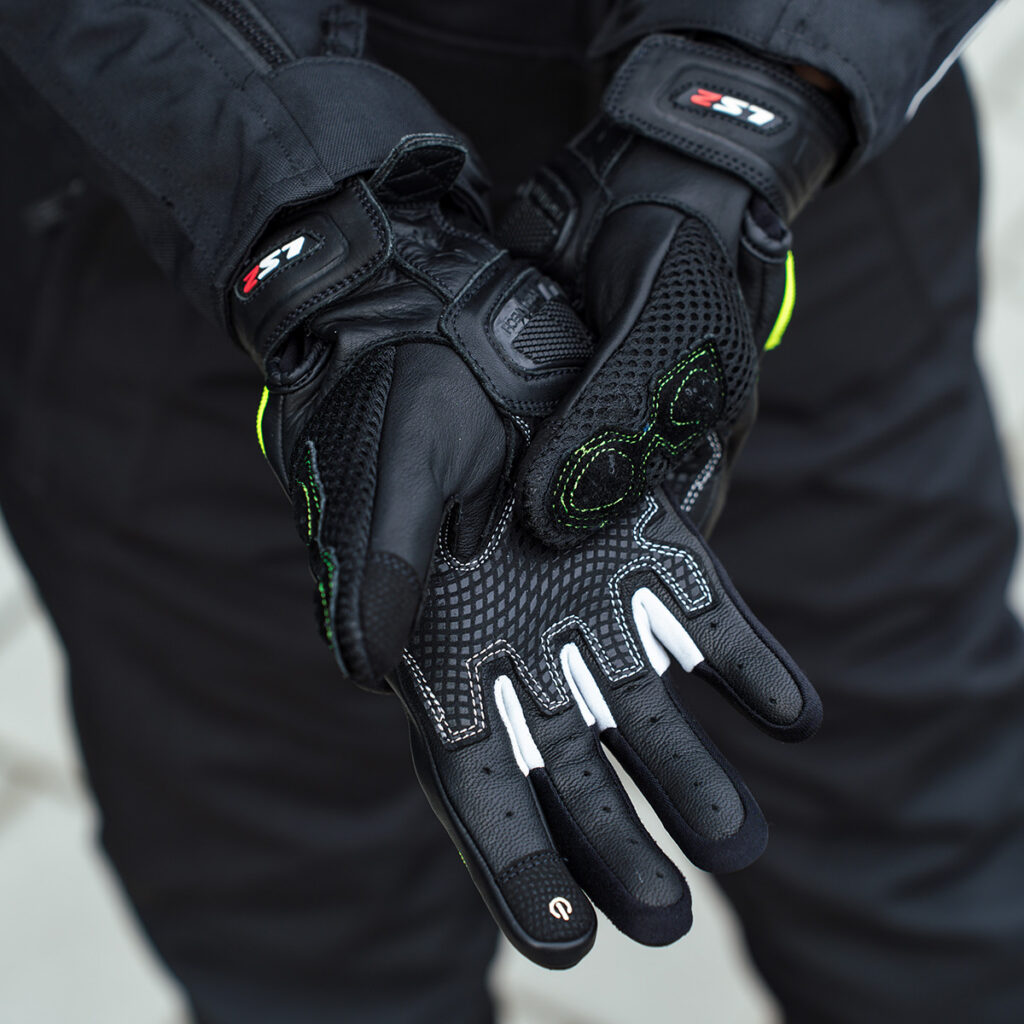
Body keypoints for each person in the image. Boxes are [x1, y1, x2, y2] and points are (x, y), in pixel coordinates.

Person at [1, 1, 1021, 1021]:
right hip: (176, 232)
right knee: (313, 926)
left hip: (768, 206)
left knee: (927, 869)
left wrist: (747, 94)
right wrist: (319, 233)